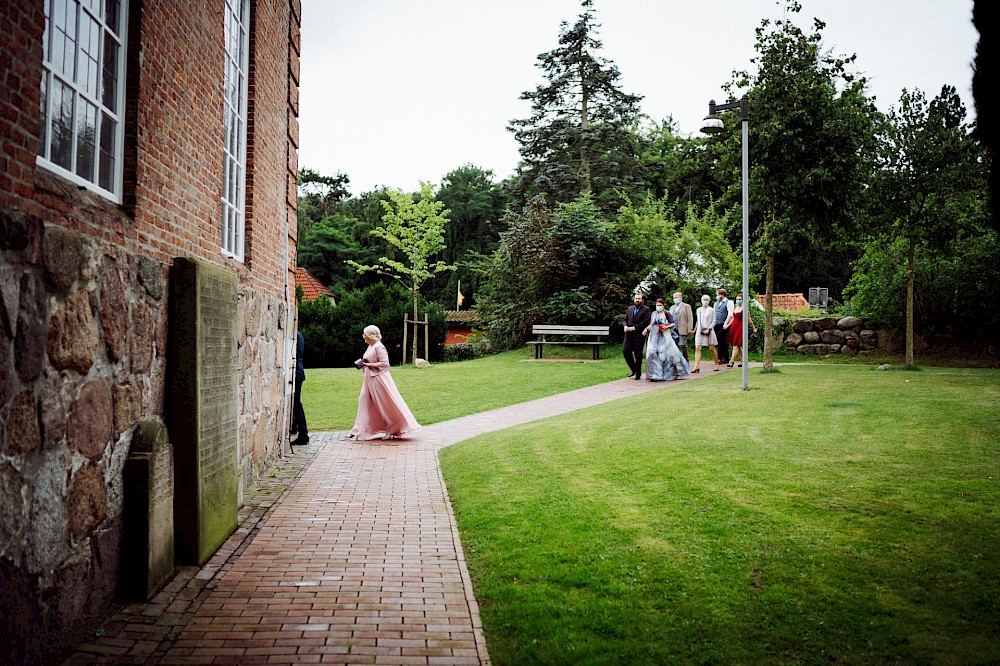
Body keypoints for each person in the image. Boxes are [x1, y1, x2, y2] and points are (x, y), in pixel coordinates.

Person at [348, 325, 420, 441]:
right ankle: (358, 429)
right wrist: (363, 363)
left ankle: (393, 428)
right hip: (368, 379)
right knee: (363, 400)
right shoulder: (370, 346)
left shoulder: (379, 347)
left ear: (370, 335)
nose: (363, 336)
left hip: (378, 379)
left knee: (385, 404)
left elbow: (385, 363)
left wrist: (368, 365)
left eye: (364, 334)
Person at [643, 298, 691, 381]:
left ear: (663, 305)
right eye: (657, 305)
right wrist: (646, 329)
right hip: (654, 336)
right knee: (652, 353)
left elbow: (673, 323)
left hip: (664, 336)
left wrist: (666, 326)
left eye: (660, 305)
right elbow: (651, 324)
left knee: (666, 354)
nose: (658, 307)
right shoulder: (654, 314)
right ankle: (654, 374)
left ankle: (670, 372)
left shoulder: (667, 313)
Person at [622, 293, 651, 380]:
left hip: (639, 335)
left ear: (642, 300)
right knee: (625, 351)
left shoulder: (646, 309)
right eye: (636, 298)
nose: (637, 300)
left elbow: (645, 322)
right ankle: (633, 369)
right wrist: (625, 326)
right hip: (628, 335)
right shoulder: (630, 308)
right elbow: (625, 320)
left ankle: (638, 374)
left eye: (639, 299)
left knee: (638, 355)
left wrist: (634, 328)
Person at [724, 295, 758, 368]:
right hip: (734, 327)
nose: (738, 300)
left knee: (736, 345)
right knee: (737, 346)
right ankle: (743, 360)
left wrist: (754, 328)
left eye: (740, 299)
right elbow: (733, 318)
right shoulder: (735, 308)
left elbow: (749, 320)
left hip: (740, 328)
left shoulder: (745, 309)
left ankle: (731, 361)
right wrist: (728, 325)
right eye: (737, 299)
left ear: (743, 300)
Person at [692, 295, 720, 373]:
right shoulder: (699, 310)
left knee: (711, 348)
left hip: (709, 330)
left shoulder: (711, 310)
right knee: (698, 347)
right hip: (700, 330)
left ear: (709, 300)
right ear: (701, 300)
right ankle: (696, 366)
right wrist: (695, 329)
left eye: (707, 299)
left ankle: (716, 363)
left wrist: (709, 329)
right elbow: (698, 320)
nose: (705, 301)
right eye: (704, 299)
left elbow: (714, 321)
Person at [290, 330, 309, 447]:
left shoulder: (295, 335)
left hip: (296, 373)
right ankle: (296, 429)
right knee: (295, 404)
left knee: (296, 404)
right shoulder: (298, 334)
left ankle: (303, 435)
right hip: (297, 372)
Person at [669, 291, 694, 361]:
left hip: (683, 328)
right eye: (674, 298)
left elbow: (690, 318)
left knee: (682, 345)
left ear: (681, 298)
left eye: (676, 297)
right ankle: (677, 361)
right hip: (673, 329)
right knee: (674, 346)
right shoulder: (672, 307)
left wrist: (690, 329)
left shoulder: (686, 306)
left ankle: (686, 360)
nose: (675, 299)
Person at [714, 288, 734, 365]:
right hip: (717, 324)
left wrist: (726, 323)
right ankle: (725, 357)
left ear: (721, 295)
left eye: (718, 294)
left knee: (721, 339)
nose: (717, 296)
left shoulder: (728, 302)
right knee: (719, 340)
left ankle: (720, 357)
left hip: (723, 323)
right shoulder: (716, 303)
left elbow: (730, 314)